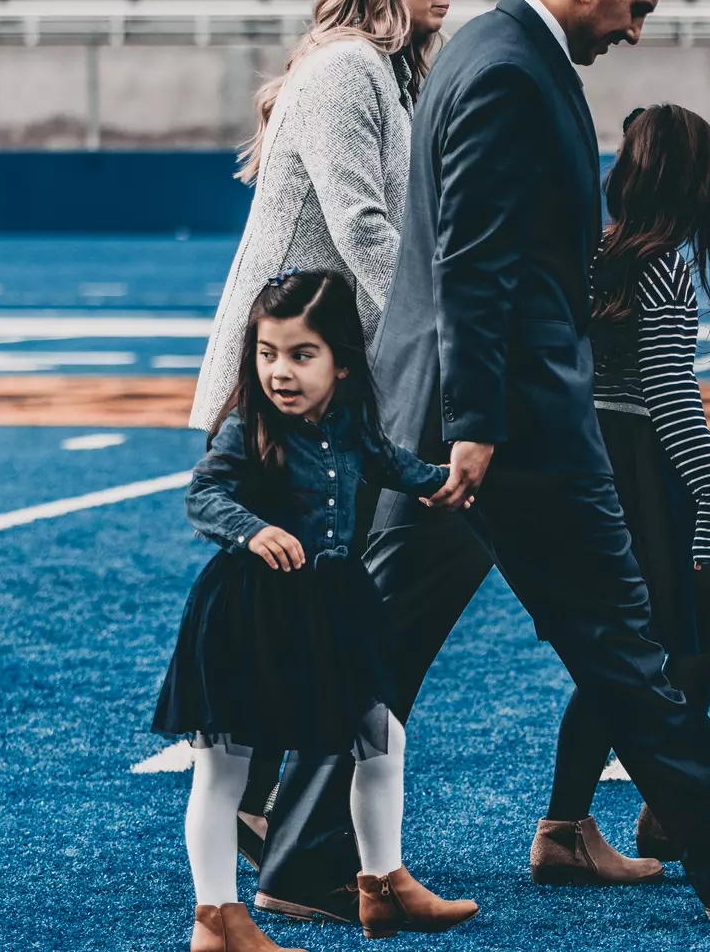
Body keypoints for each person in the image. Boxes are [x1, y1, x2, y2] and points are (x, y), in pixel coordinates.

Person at [261, 0, 710, 926]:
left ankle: (306, 856)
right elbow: (476, 264)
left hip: (445, 413)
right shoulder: (508, 67)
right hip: (508, 425)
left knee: (381, 645)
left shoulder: (484, 50)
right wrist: (479, 423)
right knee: (617, 635)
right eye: (634, 4)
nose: (635, 29)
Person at [184, 0, 456, 877]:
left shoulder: (378, 74)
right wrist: (440, 340)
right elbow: (363, 231)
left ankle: (263, 805)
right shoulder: (347, 71)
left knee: (315, 586)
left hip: (318, 375)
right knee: (293, 588)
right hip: (284, 379)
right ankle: (257, 813)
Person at [152, 269, 479, 949]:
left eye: (301, 355)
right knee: (225, 768)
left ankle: (383, 885)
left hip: (326, 609)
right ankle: (216, 918)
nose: (281, 372)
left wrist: (443, 482)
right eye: (268, 354)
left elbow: (387, 461)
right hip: (249, 614)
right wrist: (252, 529)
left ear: (341, 360)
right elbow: (203, 496)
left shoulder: (348, 420)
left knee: (382, 738)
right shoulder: (246, 428)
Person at [530, 103, 710, 885]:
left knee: (627, 652)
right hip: (643, 472)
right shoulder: (662, 264)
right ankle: (648, 809)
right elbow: (669, 400)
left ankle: (636, 811)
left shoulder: (591, 251)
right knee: (682, 629)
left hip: (588, 461)